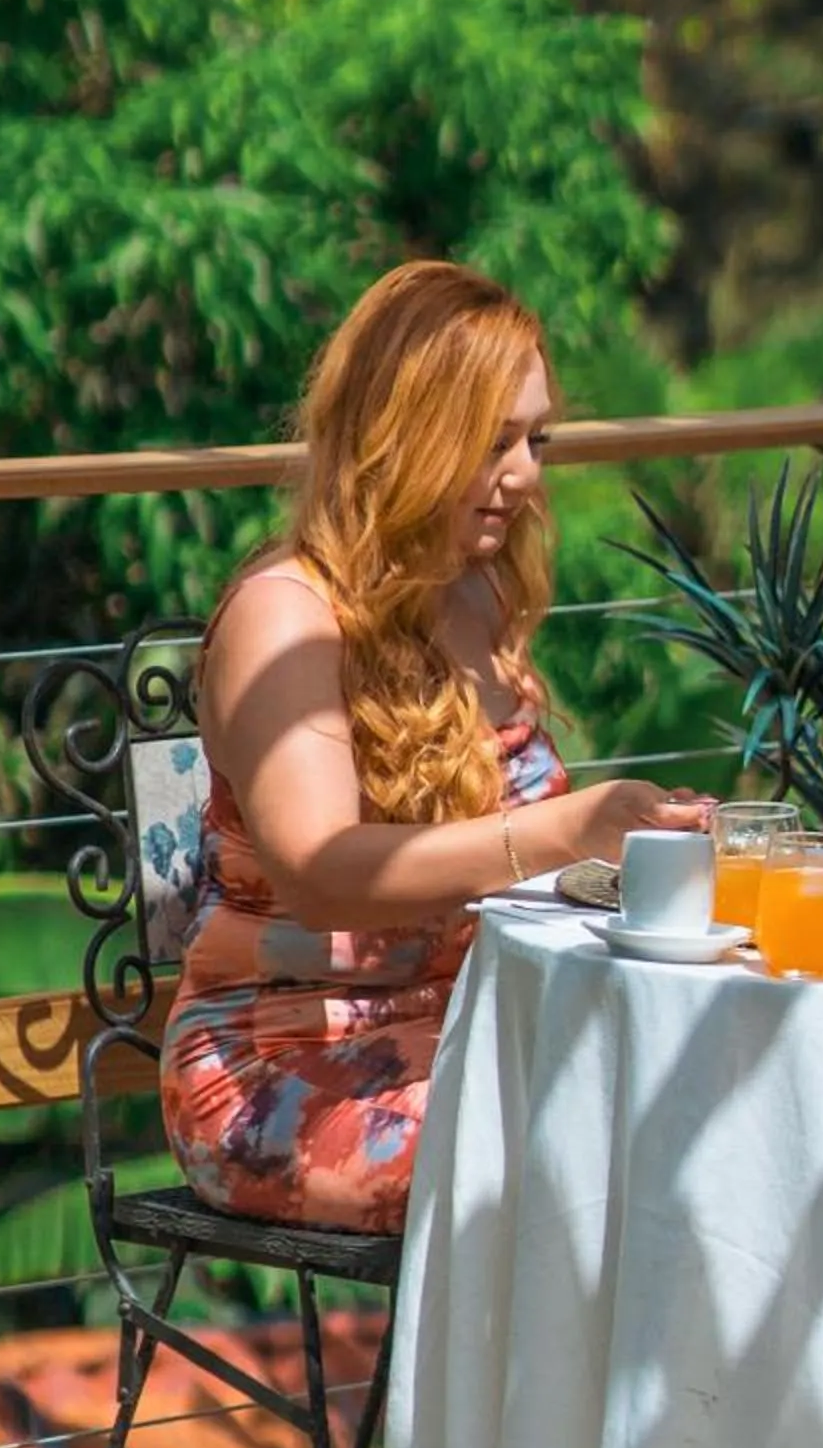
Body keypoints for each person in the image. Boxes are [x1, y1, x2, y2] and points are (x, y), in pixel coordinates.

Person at [160, 260, 712, 1235]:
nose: (529, 474)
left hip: (478, 1027)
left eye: (537, 438)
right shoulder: (286, 616)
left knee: (717, 1117)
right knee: (601, 1170)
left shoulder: (476, 592)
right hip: (284, 1065)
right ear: (405, 434)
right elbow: (322, 876)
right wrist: (563, 830)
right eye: (494, 441)